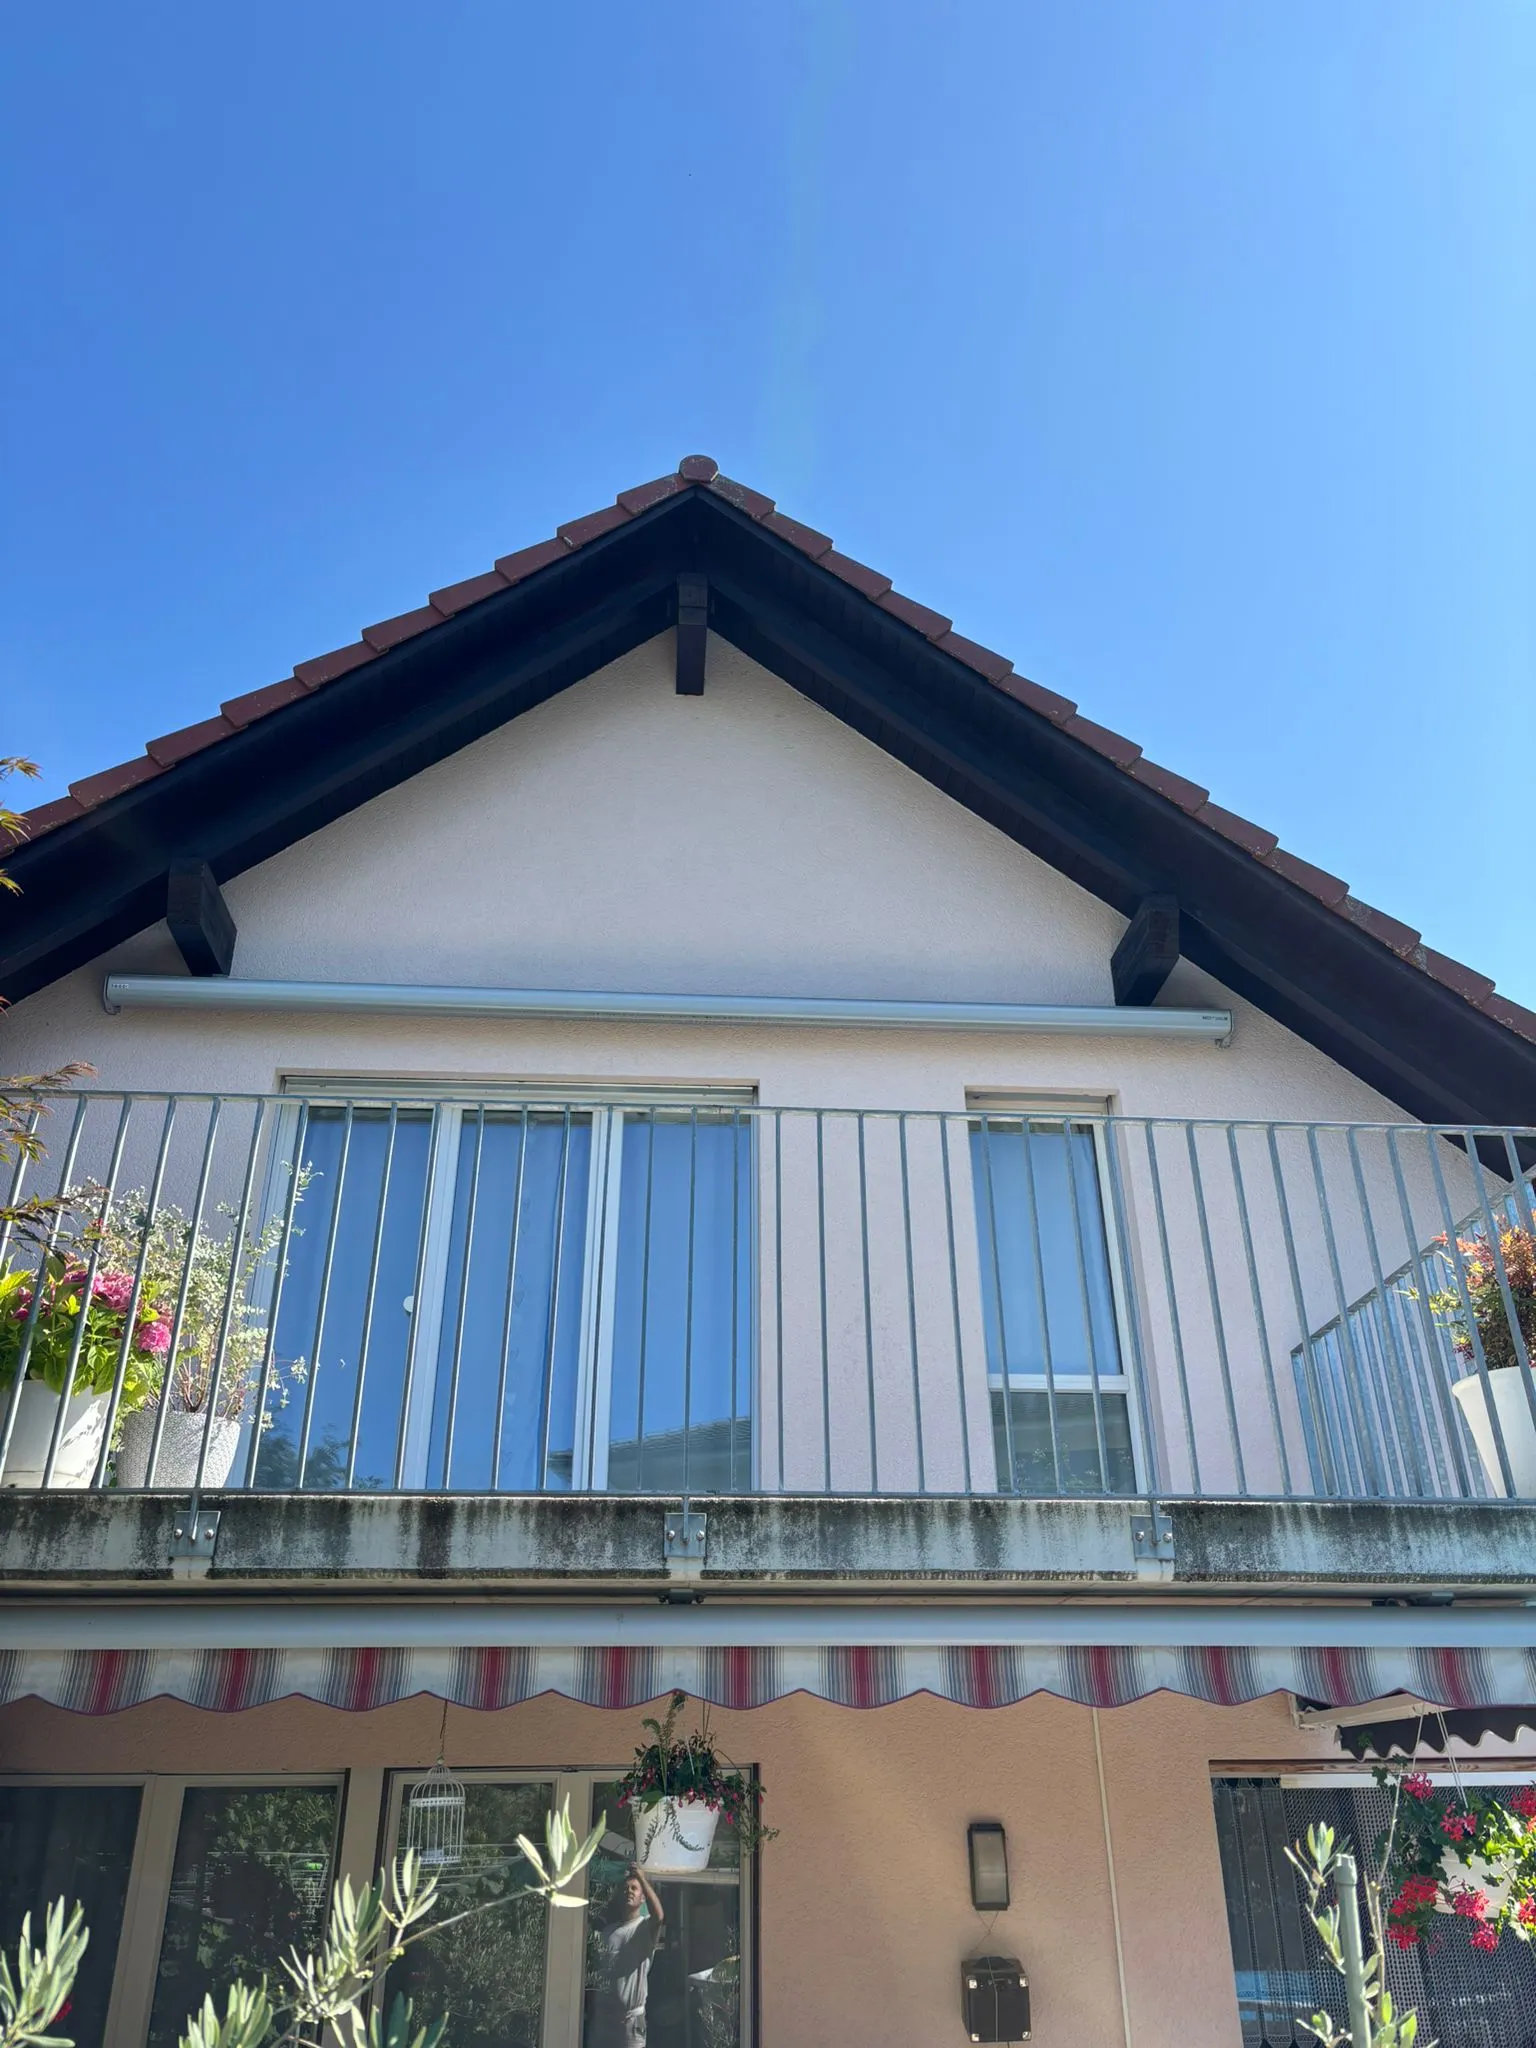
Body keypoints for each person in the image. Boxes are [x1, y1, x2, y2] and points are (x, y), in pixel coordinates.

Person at [589, 1862, 665, 2048]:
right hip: (602, 2021)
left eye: (634, 1888)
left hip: (630, 2022)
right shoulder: (608, 1932)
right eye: (626, 1888)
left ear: (642, 1897)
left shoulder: (643, 1928)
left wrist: (641, 1878)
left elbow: (659, 1916)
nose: (629, 1891)